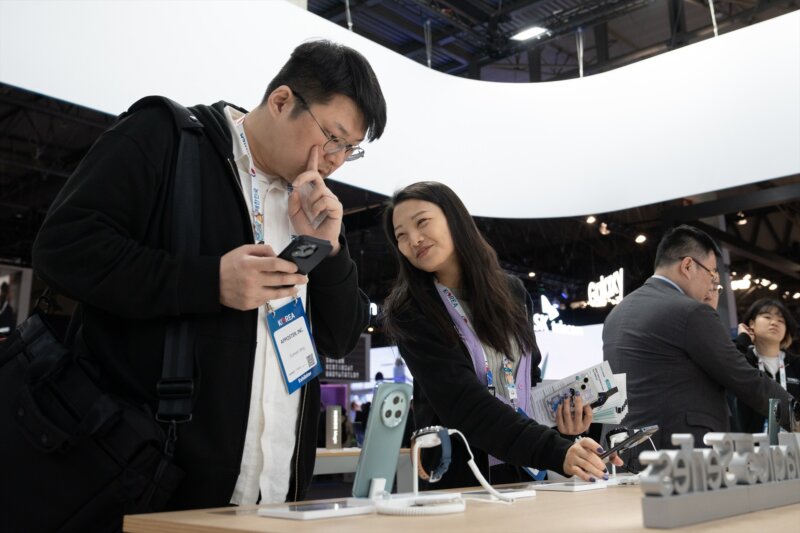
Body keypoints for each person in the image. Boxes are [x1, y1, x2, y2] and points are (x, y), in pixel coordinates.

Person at [32, 40, 386, 513]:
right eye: (333, 137)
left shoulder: (309, 202)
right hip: (154, 484)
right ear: (282, 101)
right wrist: (209, 282)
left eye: (350, 149)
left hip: (278, 497)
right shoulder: (167, 139)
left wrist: (331, 250)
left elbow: (340, 337)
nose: (337, 159)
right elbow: (63, 248)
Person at [382, 181, 620, 489]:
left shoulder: (511, 292)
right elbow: (463, 403)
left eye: (422, 222)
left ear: (455, 219)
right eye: (401, 235)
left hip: (523, 470)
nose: (413, 239)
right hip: (460, 476)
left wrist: (565, 426)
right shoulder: (411, 310)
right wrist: (555, 449)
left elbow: (527, 381)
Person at [603, 225, 794, 453]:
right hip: (677, 454)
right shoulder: (690, 311)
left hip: (621, 451)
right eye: (711, 274)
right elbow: (743, 377)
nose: (710, 285)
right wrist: (795, 414)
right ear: (688, 266)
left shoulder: (617, 313)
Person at [732, 298, 798, 433]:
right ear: (752, 323)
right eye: (767, 317)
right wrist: (743, 338)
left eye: (781, 321)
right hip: (750, 442)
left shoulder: (796, 364)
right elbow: (725, 363)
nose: (774, 323)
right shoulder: (743, 361)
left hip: (795, 442)